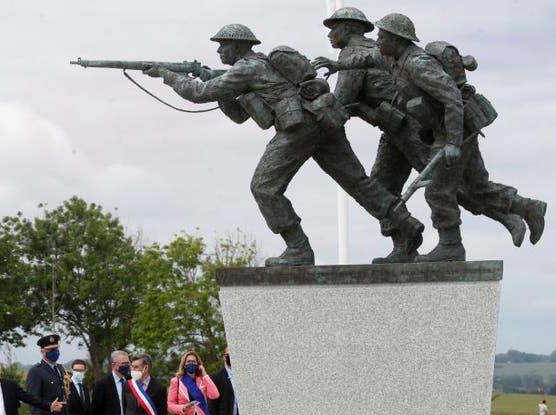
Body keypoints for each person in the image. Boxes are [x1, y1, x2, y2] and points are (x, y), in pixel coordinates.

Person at [142, 24, 424, 266]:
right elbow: (240, 116)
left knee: (264, 187)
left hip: (300, 127)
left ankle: (298, 248)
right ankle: (406, 224)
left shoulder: (246, 68)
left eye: (223, 45)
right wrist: (219, 86)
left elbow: (197, 94)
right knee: (358, 182)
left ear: (238, 46)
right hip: (322, 119)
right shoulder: (258, 66)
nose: (219, 51)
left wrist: (166, 75)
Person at [312, 8, 544, 262]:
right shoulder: (386, 55)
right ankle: (405, 242)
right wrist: (337, 65)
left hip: (427, 129)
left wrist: (453, 141)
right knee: (387, 187)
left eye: (334, 28)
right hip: (396, 129)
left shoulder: (411, 62)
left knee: (443, 187)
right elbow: (367, 63)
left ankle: (464, 238)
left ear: (349, 28)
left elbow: (341, 102)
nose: (330, 34)